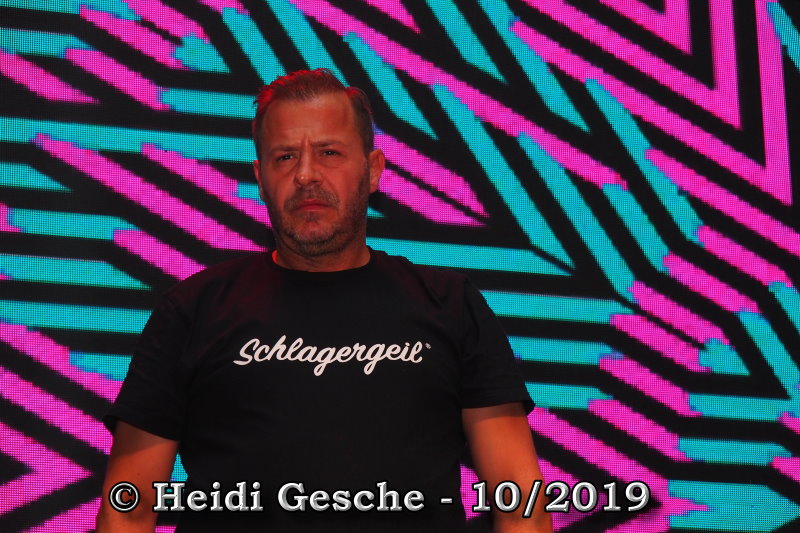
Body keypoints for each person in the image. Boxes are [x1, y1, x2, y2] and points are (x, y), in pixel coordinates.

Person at [96, 69, 552, 533]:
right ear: (260, 177)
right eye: (285, 156)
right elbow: (127, 508)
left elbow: (521, 501)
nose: (306, 174)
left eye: (329, 152)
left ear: (373, 170)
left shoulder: (450, 304)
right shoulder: (193, 310)